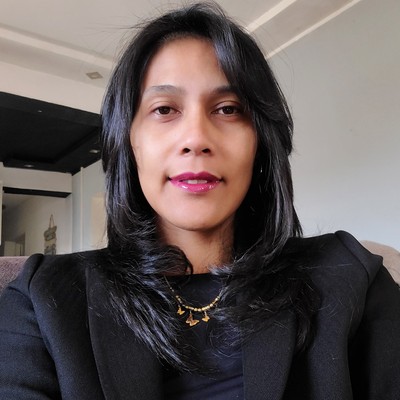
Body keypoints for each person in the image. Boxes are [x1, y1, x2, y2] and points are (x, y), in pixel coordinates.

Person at [0, 3, 399, 399]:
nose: (196, 138)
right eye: (164, 109)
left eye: (228, 109)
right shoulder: (42, 300)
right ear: (129, 141)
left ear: (260, 141)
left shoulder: (352, 278)